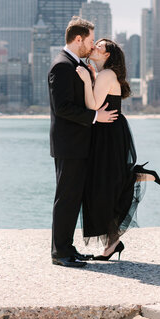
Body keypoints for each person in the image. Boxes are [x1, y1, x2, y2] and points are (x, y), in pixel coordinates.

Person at [76, 38, 160, 261]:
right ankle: (112, 244)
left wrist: (86, 80)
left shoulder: (106, 75)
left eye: (100, 46)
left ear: (108, 55)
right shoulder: (104, 74)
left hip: (108, 134)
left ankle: (132, 177)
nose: (94, 46)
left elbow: (93, 105)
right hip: (108, 131)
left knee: (102, 186)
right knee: (104, 186)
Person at [48, 17, 119, 268]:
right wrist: (95, 116)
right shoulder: (62, 66)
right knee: (66, 198)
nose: (91, 46)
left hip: (78, 143)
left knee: (73, 197)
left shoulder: (75, 64)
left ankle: (67, 248)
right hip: (69, 144)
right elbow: (63, 108)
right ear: (78, 39)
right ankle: (60, 253)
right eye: (90, 40)